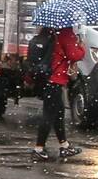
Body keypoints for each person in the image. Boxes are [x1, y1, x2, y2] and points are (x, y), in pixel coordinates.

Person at [32, 24, 84, 161]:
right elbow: (74, 54)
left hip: (48, 77)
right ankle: (39, 147)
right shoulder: (66, 32)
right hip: (55, 78)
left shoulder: (50, 31)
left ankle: (64, 145)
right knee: (49, 114)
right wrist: (81, 47)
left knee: (58, 112)